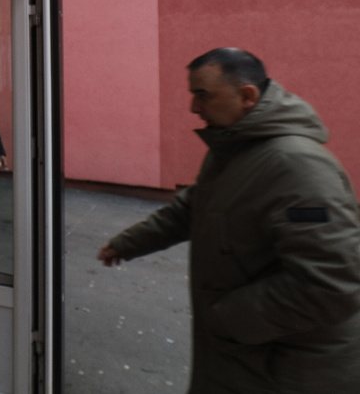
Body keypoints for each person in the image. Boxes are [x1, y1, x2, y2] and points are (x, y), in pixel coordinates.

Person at [97, 48, 360, 393]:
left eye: (202, 94)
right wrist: (128, 243)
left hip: (287, 371)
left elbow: (332, 281)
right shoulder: (234, 149)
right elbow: (192, 207)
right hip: (244, 357)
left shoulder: (296, 166)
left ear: (247, 95)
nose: (194, 107)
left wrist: (229, 318)